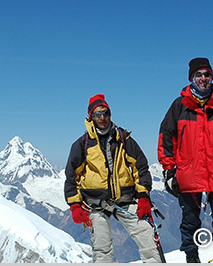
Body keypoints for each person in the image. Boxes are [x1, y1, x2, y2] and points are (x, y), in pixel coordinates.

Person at [158, 57, 213, 263]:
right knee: (190, 222)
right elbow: (166, 139)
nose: (203, 78)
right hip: (189, 175)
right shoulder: (179, 106)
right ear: (191, 78)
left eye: (207, 74)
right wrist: (169, 170)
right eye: (199, 75)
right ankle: (192, 257)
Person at [64, 94, 161, 263]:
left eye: (105, 113)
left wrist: (143, 197)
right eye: (97, 114)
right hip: (95, 203)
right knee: (102, 248)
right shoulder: (82, 145)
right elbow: (72, 177)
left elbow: (141, 167)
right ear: (90, 117)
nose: (102, 117)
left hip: (125, 199)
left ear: (110, 114)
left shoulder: (123, 139)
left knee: (148, 237)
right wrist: (74, 205)